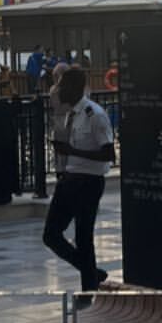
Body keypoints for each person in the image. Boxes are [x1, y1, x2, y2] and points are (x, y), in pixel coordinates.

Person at [43, 65, 113, 288]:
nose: (59, 91)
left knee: (84, 238)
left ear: (74, 88)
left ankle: (89, 289)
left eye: (62, 86)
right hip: (70, 179)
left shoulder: (95, 115)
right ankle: (92, 272)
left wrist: (71, 151)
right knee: (51, 235)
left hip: (88, 182)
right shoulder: (72, 114)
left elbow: (108, 154)